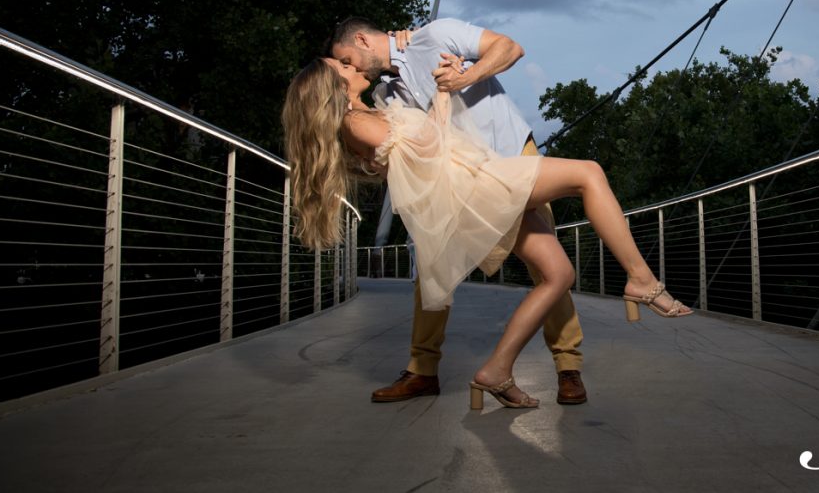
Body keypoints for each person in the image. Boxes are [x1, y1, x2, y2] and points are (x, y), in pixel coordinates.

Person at [282, 58, 692, 410]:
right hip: (476, 183)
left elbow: (429, 141)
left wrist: (444, 90)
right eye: (343, 67)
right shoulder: (355, 124)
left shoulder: (367, 114)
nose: (352, 67)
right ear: (332, 85)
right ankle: (642, 281)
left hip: (473, 179)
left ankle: (496, 370)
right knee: (589, 173)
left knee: (558, 275)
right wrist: (442, 95)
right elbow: (428, 149)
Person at [326, 17, 588, 405]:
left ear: (362, 40)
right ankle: (421, 371)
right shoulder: (385, 94)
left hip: (512, 155)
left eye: (348, 59)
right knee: (430, 268)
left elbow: (510, 48)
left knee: (546, 265)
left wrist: (462, 80)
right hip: (462, 180)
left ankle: (568, 367)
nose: (351, 70)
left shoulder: (436, 34)